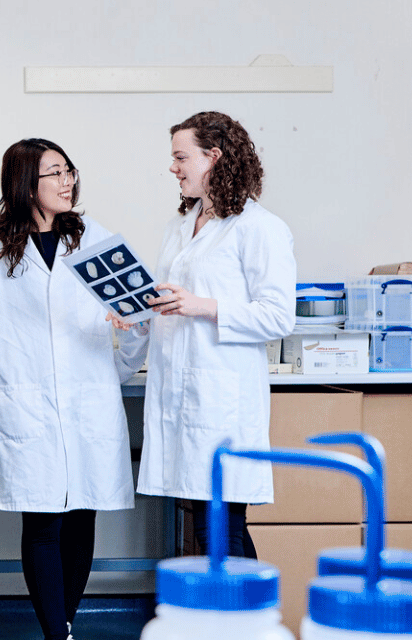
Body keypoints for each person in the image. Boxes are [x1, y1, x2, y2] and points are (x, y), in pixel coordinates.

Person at [0, 138, 148, 640]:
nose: (66, 181)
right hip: (25, 402)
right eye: (55, 173)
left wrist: (116, 371)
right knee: (42, 522)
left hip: (90, 400)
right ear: (25, 183)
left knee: (81, 516)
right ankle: (57, 633)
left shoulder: (96, 240)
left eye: (68, 170)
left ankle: (65, 625)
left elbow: (139, 313)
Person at [137, 111, 296, 558]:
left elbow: (278, 316)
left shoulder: (259, 227)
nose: (173, 168)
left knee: (219, 528)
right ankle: (242, 602)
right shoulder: (181, 224)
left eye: (180, 157)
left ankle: (248, 604)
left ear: (214, 157)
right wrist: (138, 309)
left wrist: (202, 306)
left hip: (222, 399)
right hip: (182, 391)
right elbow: (176, 298)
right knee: (210, 526)